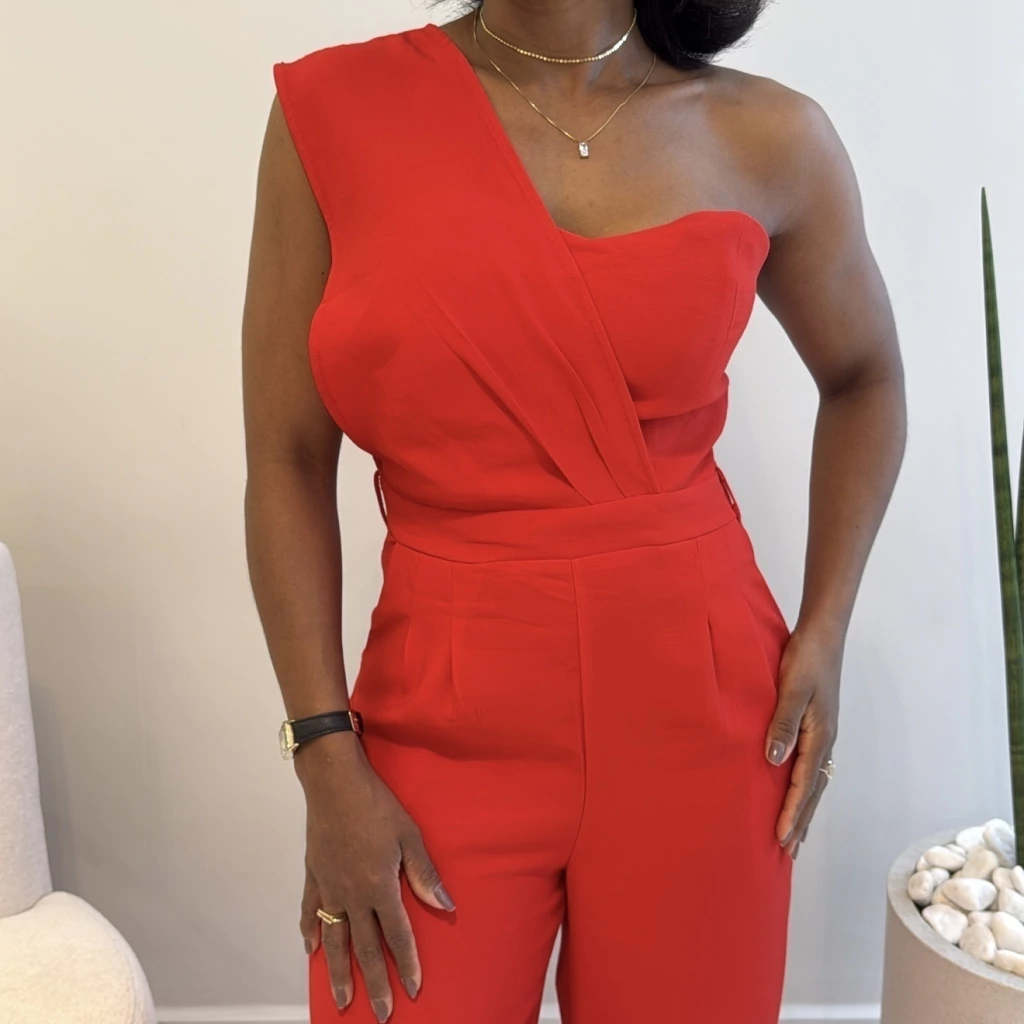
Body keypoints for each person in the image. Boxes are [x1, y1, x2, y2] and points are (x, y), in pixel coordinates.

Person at [241, 2, 906, 1021]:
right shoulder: (333, 113)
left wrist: (824, 629)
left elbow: (865, 376)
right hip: (438, 710)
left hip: (705, 706)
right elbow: (286, 458)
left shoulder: (771, 135)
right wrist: (324, 752)